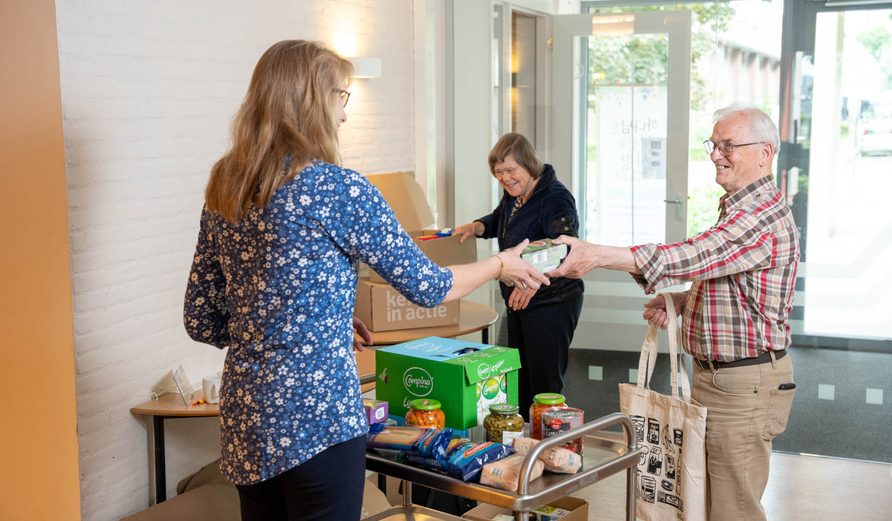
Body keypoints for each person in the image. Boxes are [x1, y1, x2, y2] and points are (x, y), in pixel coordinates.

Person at [182, 40, 548, 521]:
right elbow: (430, 286)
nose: (345, 115)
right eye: (342, 97)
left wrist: (310, 320)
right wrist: (499, 264)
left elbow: (200, 320)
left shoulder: (225, 185)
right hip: (319, 422)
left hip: (247, 419)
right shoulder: (339, 189)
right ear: (314, 101)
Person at [547, 103, 799, 521]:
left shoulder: (760, 216)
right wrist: (683, 301)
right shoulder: (738, 207)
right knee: (704, 499)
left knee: (731, 510)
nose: (717, 154)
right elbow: (729, 276)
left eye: (729, 145)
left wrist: (594, 256)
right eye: (714, 144)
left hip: (743, 385)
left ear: (765, 152)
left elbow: (695, 255)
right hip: (720, 379)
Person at [454, 133, 584, 408]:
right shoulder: (516, 195)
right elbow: (501, 218)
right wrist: (477, 227)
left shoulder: (555, 198)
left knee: (544, 384)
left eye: (511, 170)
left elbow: (564, 249)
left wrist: (530, 284)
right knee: (520, 378)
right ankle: (525, 439)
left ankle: (549, 444)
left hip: (552, 300)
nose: (505, 178)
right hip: (520, 299)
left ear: (529, 164)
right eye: (498, 172)